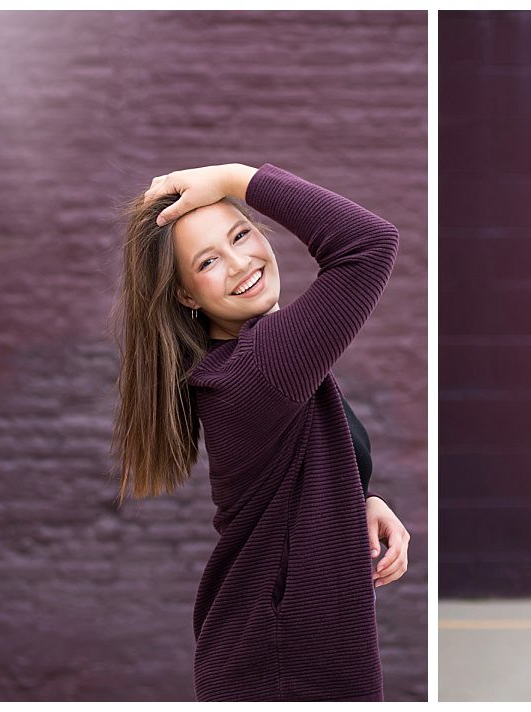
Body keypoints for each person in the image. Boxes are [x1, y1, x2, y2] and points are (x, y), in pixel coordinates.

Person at [112, 163, 411, 701]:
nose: (239, 263)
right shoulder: (259, 364)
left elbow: (292, 470)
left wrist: (355, 499)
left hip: (284, 650)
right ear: (187, 297)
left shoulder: (242, 362)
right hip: (282, 666)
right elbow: (368, 244)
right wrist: (233, 177)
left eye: (240, 235)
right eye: (207, 262)